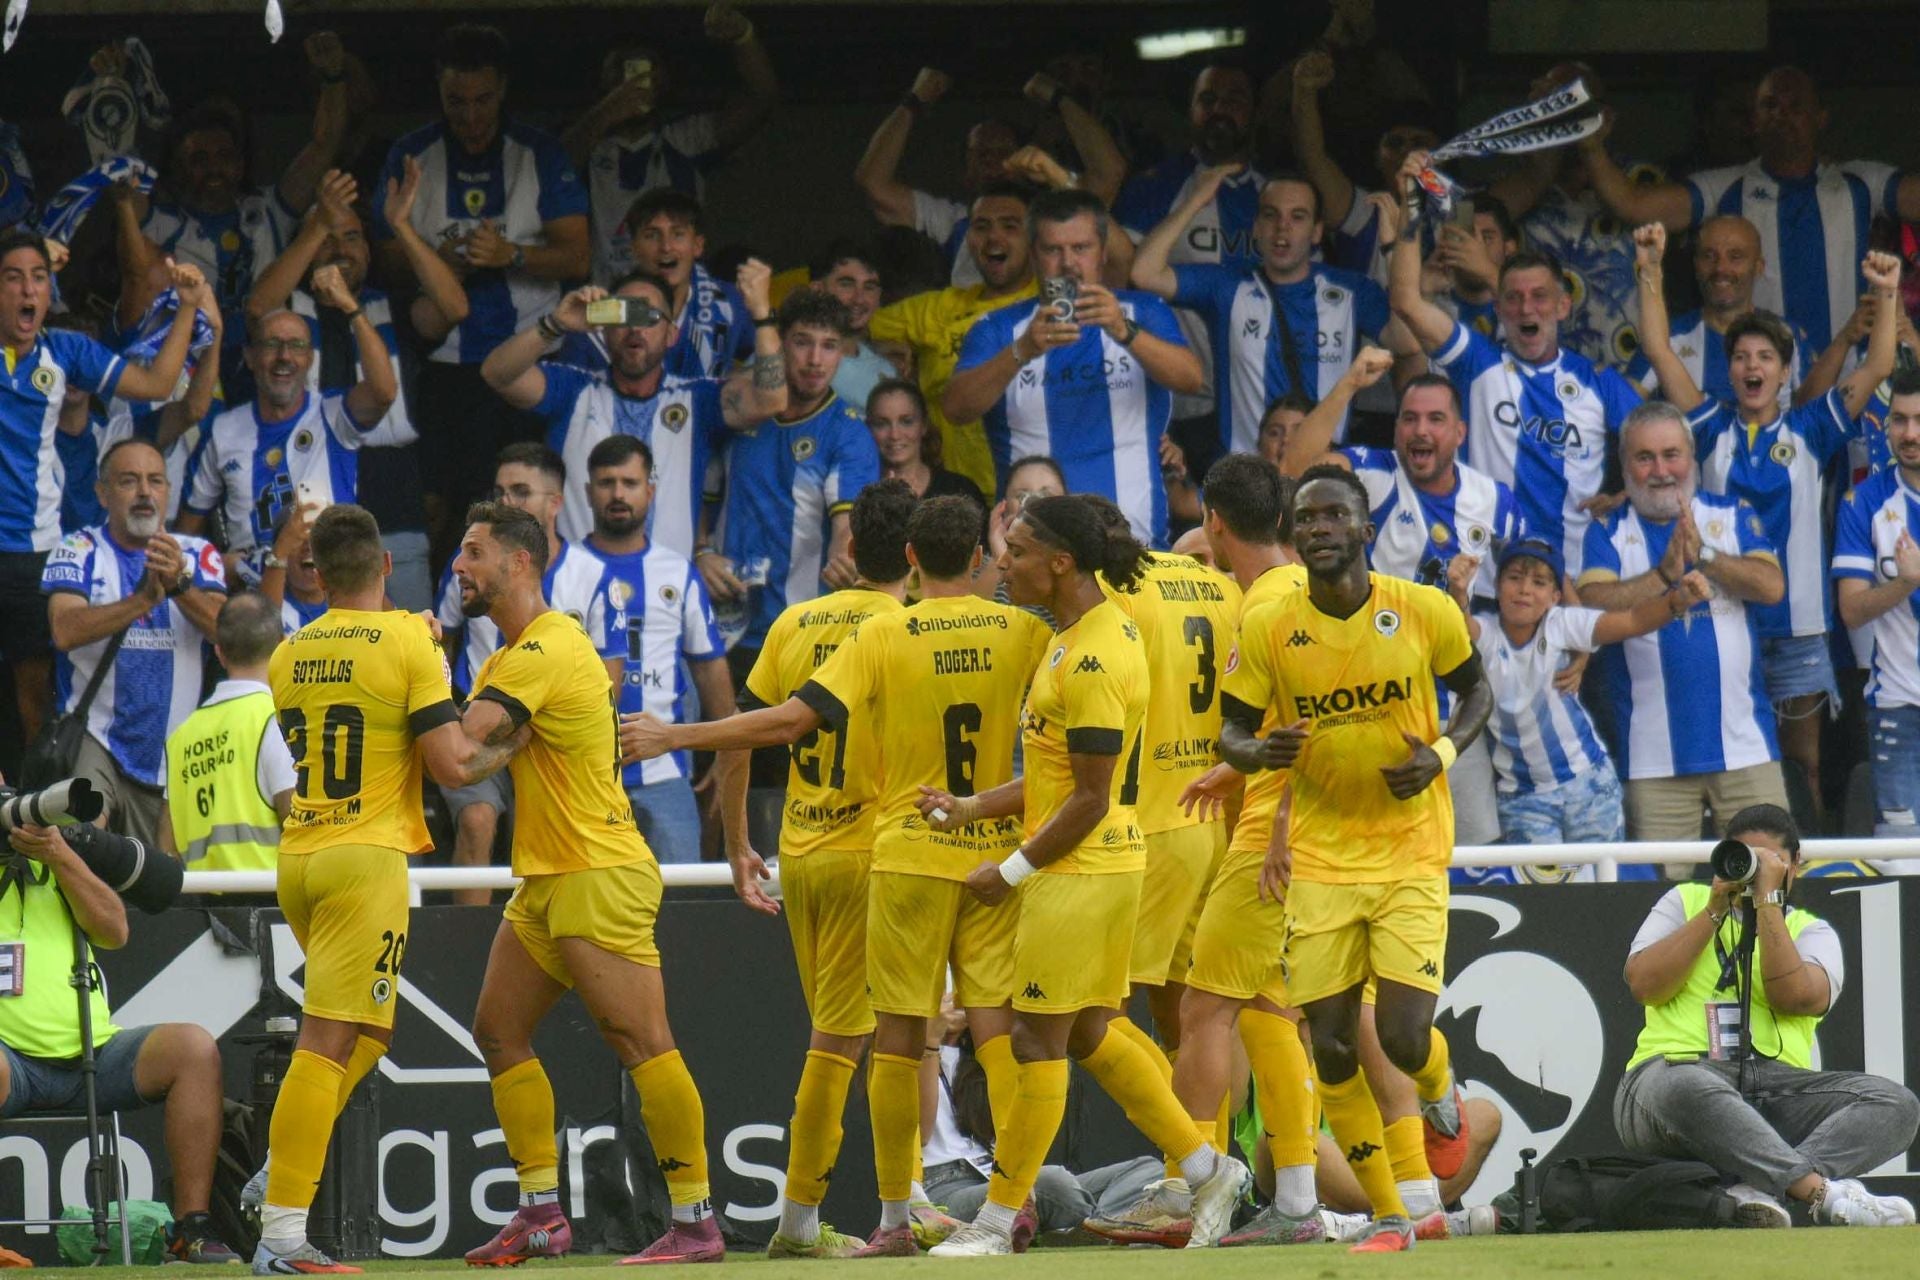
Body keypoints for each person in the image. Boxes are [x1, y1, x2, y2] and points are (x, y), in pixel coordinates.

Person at [918, 495, 1248, 1257]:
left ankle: (997, 1223)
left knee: (1037, 1042)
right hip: (1100, 863)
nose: (1004, 563)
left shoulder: (1096, 654)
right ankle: (1205, 1166)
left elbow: (1091, 799)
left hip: (1082, 871)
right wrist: (972, 807)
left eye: (1019, 551)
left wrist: (1010, 867)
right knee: (1096, 1030)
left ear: (1061, 562)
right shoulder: (1077, 636)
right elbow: (1058, 778)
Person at [623, 481, 929, 1258]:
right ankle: (832, 1217)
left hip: (803, 854)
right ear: (917, 560)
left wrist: (734, 845)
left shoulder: (797, 621)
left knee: (851, 1035)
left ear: (851, 550)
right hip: (874, 856)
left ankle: (878, 1205)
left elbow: (741, 734)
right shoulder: (909, 629)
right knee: (855, 1041)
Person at [1216, 465, 1491, 1253]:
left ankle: (1440, 1091)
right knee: (1333, 1045)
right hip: (1321, 860)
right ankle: (1393, 1214)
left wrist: (1440, 753)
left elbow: (1478, 694)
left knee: (1403, 1039)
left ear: (1366, 528)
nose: (1320, 528)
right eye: (1307, 519)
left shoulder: (1422, 610)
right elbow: (1229, 733)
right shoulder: (1271, 626)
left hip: (1408, 850)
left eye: (1335, 515)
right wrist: (1259, 748)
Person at [446, 502, 721, 1265]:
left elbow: (462, 750)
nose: (459, 567)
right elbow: (484, 758)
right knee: (498, 1031)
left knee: (640, 1041)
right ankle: (539, 1212)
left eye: (473, 553)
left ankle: (696, 1224)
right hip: (545, 878)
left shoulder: (545, 648)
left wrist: (413, 680)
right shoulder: (509, 661)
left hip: (599, 871)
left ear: (520, 562)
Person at [254, 502, 506, 1274]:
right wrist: (523, 740)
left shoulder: (287, 651)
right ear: (387, 567)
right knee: (328, 1039)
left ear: (316, 574)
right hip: (365, 860)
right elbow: (453, 765)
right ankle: (282, 1237)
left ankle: (280, 1169)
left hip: (300, 858)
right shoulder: (407, 641)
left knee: (370, 1033)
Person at [1636, 227, 1902, 826]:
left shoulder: (1812, 428)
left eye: (1764, 358)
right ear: (1729, 369)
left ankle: (1795, 870)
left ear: (1785, 372)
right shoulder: (1707, 428)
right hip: (1722, 619)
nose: (1751, 366)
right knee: (1730, 761)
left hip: (1801, 628)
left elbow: (1881, 362)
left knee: (1800, 765)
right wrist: (1650, 266)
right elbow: (1657, 349)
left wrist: (1886, 292)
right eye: (1739, 356)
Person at [1616, 804, 1918, 1228]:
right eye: (1745, 858)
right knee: (1686, 1083)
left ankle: (1759, 1191)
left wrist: (1768, 903)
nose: (1754, 871)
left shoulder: (1812, 931)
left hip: (1775, 1090)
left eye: (1768, 862)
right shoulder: (1684, 901)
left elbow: (1793, 997)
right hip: (1669, 1082)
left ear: (1795, 864)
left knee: (1897, 1104)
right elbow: (1644, 985)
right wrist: (1714, 909)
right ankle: (1820, 1194)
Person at [1278, 358, 1521, 854]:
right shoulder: (1375, 474)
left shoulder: (1494, 500)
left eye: (1435, 420)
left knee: (1472, 854)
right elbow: (1295, 467)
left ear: (1459, 431)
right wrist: (1348, 383)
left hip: (1454, 710)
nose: (1420, 429)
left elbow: (1536, 584)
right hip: (1372, 704)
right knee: (1369, 844)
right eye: (1409, 418)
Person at [371, 22, 589, 547]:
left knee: (532, 505)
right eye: (456, 100)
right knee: (451, 508)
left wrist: (513, 254)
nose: (470, 115)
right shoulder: (412, 154)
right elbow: (383, 262)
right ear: (439, 92)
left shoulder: (538, 152)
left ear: (504, 89)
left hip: (535, 361)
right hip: (446, 366)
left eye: (483, 100)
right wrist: (434, 261)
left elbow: (579, 255)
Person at [1388, 153, 1643, 575]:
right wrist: (1411, 207)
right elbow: (1406, 301)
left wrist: (1625, 495)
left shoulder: (1599, 383)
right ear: (1500, 307)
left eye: (1540, 297)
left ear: (1563, 306)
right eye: (1514, 298)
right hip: (1482, 582)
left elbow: (1669, 446)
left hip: (1572, 582)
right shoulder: (1477, 362)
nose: (1527, 308)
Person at [0, 820, 242, 1263]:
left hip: (95, 1055)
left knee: (192, 1048)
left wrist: (60, 856)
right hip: (11, 1063)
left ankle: (192, 1230)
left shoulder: (56, 864)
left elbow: (115, 930)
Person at [0, 238, 210, 748]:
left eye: (38, 277)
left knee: (35, 695)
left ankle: (33, 815)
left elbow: (160, 384)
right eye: (12, 277)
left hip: (33, 550)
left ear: (50, 292)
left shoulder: (65, 352)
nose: (28, 289)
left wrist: (186, 308)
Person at [246, 161, 471, 610]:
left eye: (351, 237)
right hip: (309, 523)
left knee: (404, 649)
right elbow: (257, 307)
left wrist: (401, 226)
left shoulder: (391, 309)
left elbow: (453, 306)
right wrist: (317, 227)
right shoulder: (290, 315)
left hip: (395, 508)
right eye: (328, 237)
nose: (340, 248)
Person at [1576, 65, 1920, 352]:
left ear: (1820, 118)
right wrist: (1591, 148)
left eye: (1795, 106)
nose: (1781, 115)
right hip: (1757, 385)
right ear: (1754, 120)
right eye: (1770, 105)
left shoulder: (1861, 183)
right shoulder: (1723, 186)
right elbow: (1633, 205)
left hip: (1847, 384)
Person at [1576, 403, 1790, 845]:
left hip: (1746, 749)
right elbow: (1592, 606)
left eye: (1671, 454)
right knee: (1660, 899)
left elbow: (1771, 587)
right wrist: (1663, 576)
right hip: (1652, 760)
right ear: (1624, 465)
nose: (1660, 470)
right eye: (1645, 457)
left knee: (1770, 884)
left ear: (1692, 458)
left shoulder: (1732, 514)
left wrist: (1705, 556)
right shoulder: (1606, 530)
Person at [946, 188, 1200, 548]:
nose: (1068, 263)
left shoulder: (1143, 312)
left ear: (1103, 253)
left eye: (1081, 248)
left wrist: (1122, 330)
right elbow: (955, 409)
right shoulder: (998, 329)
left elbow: (1192, 379)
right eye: (1053, 250)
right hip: (1036, 553)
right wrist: (1023, 349)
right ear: (1033, 255)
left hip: (1137, 547)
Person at [478, 261, 785, 553]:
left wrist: (761, 314)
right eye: (624, 315)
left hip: (666, 592)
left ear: (671, 334)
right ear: (604, 328)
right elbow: (496, 374)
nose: (636, 328)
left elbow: (771, 399)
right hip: (578, 591)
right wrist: (556, 324)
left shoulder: (697, 399)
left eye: (649, 317)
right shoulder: (573, 389)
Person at [1445, 537, 1707, 871]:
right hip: (1523, 798)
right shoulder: (1488, 633)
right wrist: (1458, 591)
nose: (1524, 589)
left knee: (1601, 887)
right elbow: (1459, 627)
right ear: (1496, 587)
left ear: (1555, 598)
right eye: (1514, 578)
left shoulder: (1561, 625)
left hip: (1589, 785)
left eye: (1539, 583)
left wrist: (1678, 599)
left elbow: (1632, 620)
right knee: (1547, 901)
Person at [1130, 168, 1403, 456]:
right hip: (1243, 477)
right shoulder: (1226, 286)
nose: (1282, 227)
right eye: (1271, 215)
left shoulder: (1351, 290)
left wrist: (1393, 249)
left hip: (1323, 471)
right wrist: (1197, 201)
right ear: (1256, 227)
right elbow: (1144, 273)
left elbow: (1406, 341)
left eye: (1297, 217)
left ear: (1317, 231)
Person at [129, 35, 350, 387]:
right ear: (177, 166)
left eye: (224, 156)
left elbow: (325, 144)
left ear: (241, 161)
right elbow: (121, 186)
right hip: (190, 370)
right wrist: (112, 92)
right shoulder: (161, 222)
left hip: (267, 367)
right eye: (199, 159)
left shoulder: (268, 210)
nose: (214, 169)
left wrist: (334, 76)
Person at [44, 440, 226, 843]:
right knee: (84, 850)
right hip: (96, 738)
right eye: (129, 481)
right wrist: (142, 600)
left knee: (160, 886)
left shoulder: (198, 553)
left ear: (168, 491)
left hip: (177, 753)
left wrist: (179, 585)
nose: (145, 492)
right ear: (102, 493)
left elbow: (224, 632)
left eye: (155, 481)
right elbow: (64, 630)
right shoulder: (78, 548)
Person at [179, 272, 398, 582]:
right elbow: (188, 531)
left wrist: (351, 307)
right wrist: (214, 569)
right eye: (272, 344)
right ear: (250, 358)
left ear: (310, 359)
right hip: (254, 593)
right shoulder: (222, 430)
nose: (284, 357)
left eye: (296, 346)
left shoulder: (333, 414)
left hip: (331, 586)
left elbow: (384, 392)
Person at [581, 435, 736, 866]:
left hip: (664, 772)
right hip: (581, 776)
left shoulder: (677, 572)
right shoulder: (563, 569)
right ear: (588, 491)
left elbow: (709, 667)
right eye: (606, 482)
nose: (617, 494)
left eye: (629, 483)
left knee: (680, 902)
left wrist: (727, 752)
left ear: (650, 491)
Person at [705, 289, 881, 657]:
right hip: (719, 627)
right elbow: (694, 495)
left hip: (801, 634)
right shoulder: (738, 413)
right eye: (803, 343)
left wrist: (843, 558)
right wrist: (700, 552)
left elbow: (847, 522)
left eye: (829, 346)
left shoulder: (848, 434)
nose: (815, 360)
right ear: (779, 344)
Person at [563, 1, 779, 283]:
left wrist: (743, 36)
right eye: (620, 69)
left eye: (644, 68)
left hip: (675, 304)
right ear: (602, 80)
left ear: (664, 79)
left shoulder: (684, 138)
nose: (631, 79)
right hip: (603, 303)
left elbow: (760, 100)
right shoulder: (586, 140)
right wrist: (607, 113)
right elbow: (547, 168)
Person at [1111, 66, 1267, 445]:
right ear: (1190, 110)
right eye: (1207, 99)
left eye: (1234, 100)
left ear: (1254, 112)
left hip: (1258, 398)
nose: (1220, 110)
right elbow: (1123, 277)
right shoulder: (1153, 186)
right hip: (1175, 398)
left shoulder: (1276, 196)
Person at [866, 185, 1037, 496]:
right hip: (958, 499)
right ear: (968, 239)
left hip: (1036, 496)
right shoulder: (938, 308)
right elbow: (849, 324)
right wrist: (877, 352)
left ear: (1035, 237)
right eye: (981, 227)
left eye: (1010, 226)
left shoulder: (1051, 304)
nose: (994, 238)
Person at [1834, 368, 1920, 843]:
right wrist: (1905, 583)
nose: (1910, 434)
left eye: (1919, 420)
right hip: (1898, 707)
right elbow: (1851, 610)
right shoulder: (1863, 501)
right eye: (1900, 420)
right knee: (1905, 860)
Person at [159, 592, 295, 871]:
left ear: (219, 652)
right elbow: (298, 824)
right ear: (282, 647)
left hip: (203, 906)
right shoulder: (277, 721)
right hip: (272, 900)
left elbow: (165, 845)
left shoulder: (180, 737)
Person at [852, 67, 1022, 288]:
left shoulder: (1050, 218)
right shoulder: (954, 222)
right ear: (967, 173)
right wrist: (914, 101)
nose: (992, 161)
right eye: (981, 154)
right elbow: (873, 183)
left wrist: (1059, 99)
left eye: (1003, 152)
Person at [1623, 216, 1810, 410]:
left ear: (1758, 267)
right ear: (1696, 265)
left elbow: (1817, 415)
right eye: (1709, 256)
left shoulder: (1788, 334)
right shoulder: (1665, 338)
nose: (1721, 268)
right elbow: (1622, 411)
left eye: (1735, 257)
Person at [623, 189, 755, 380]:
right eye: (652, 235)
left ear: (698, 246)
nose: (666, 247)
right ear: (633, 248)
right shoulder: (608, 307)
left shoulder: (729, 302)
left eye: (678, 234)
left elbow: (767, 364)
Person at [866, 378, 985, 505]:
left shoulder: (960, 491)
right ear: (867, 428)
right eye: (881, 424)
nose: (895, 435)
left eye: (907, 422)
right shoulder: (856, 492)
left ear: (924, 425)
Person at [813, 240, 895, 408]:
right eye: (846, 284)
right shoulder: (787, 357)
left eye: (869, 287)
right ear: (818, 290)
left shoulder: (887, 372)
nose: (859, 299)